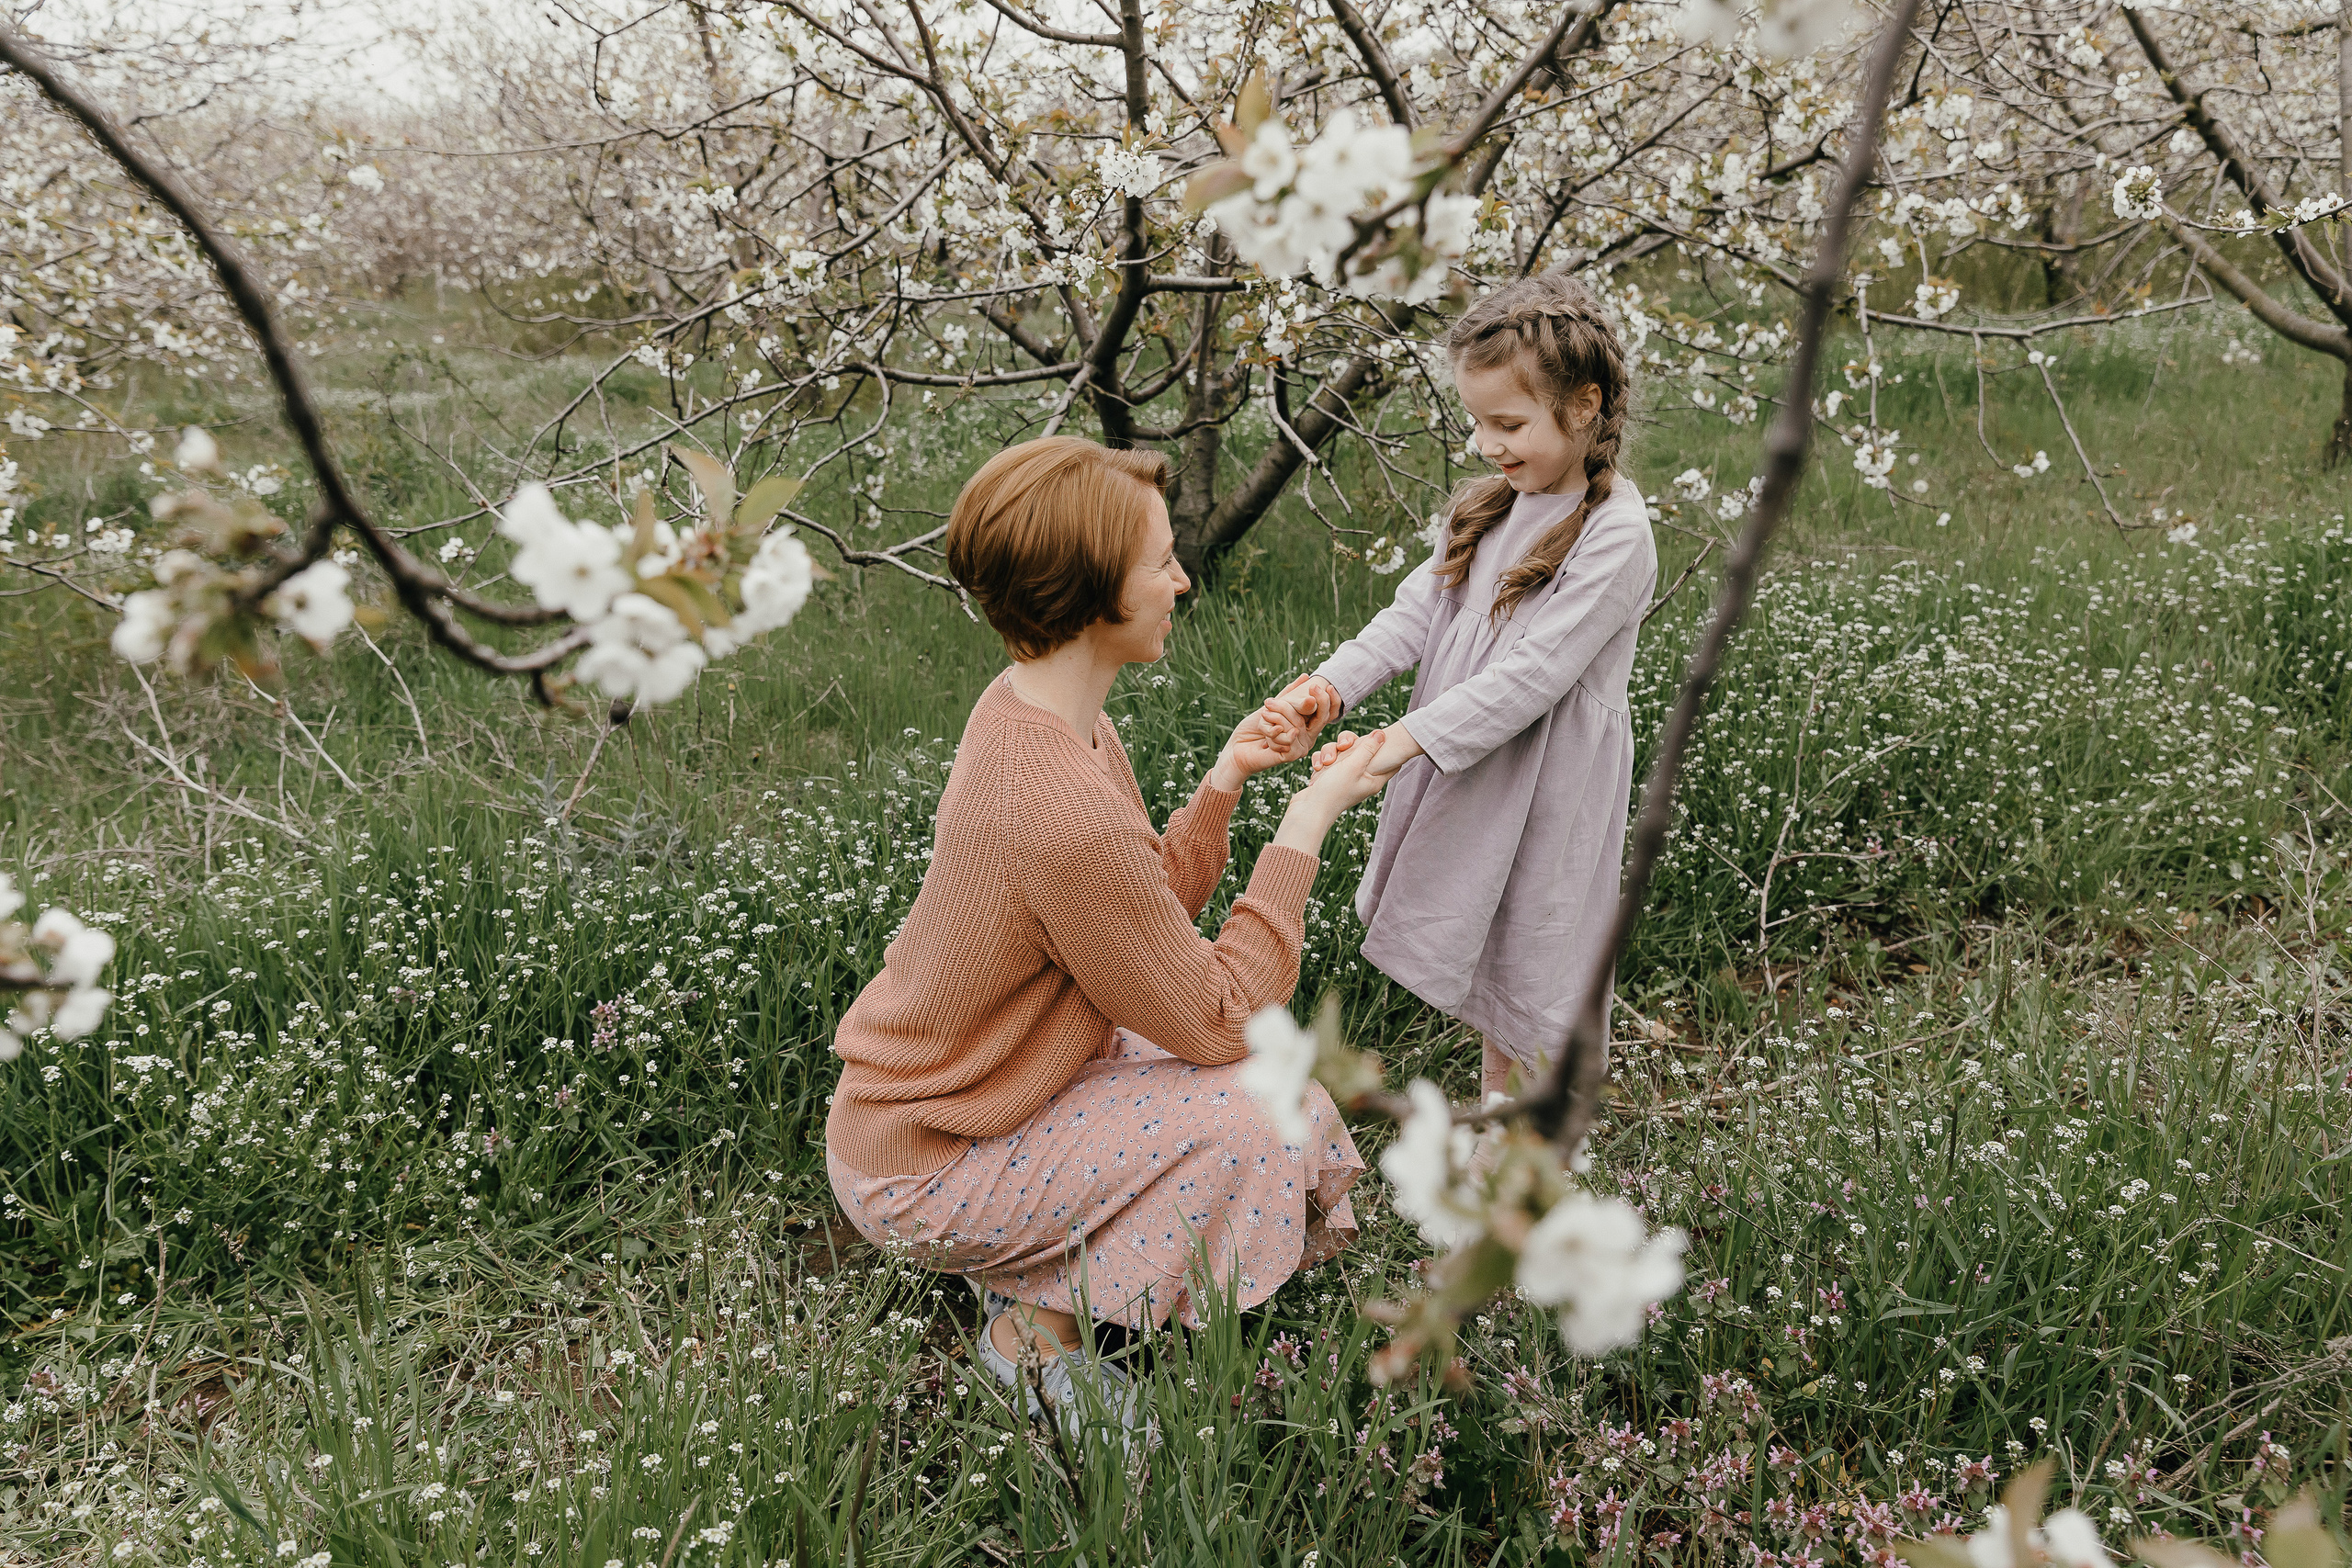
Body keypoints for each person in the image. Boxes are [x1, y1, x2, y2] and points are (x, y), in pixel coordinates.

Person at [823, 435, 1395, 1433]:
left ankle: (1038, 1260)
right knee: (1262, 1109)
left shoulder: (1040, 715)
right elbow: (1219, 1019)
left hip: (966, 1103)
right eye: (1157, 562)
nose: (1180, 579)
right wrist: (1309, 822)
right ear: (1091, 594)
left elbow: (1133, 917)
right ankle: (1030, 1337)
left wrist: (1223, 784)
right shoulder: (1056, 800)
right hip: (925, 1168)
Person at [1269, 271, 1656, 1106]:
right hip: (1472, 764)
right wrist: (1329, 692)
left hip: (1549, 779)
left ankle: (1537, 1137)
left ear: (1584, 406)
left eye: (1509, 424)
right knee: (1487, 930)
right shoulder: (1486, 507)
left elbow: (1535, 675)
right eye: (1478, 421)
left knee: (1536, 950)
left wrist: (1395, 745)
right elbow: (1414, 617)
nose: (1487, 443)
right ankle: (1499, 1113)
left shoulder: (1617, 532)